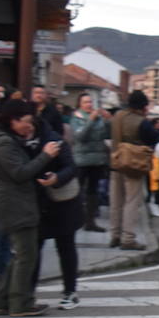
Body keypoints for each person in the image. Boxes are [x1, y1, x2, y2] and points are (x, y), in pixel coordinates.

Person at [0, 100, 59, 317]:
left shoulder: (2, 139)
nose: (30, 126)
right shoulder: (3, 143)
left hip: (14, 203)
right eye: (26, 122)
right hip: (15, 204)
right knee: (27, 255)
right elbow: (20, 173)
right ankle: (21, 303)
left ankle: (3, 300)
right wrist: (46, 155)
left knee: (20, 255)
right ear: (12, 120)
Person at [30, 115, 83, 310]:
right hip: (37, 203)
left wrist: (56, 178)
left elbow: (71, 167)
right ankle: (29, 293)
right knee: (34, 248)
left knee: (66, 246)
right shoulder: (17, 141)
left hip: (63, 202)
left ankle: (70, 291)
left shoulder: (54, 140)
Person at [108, 90, 159, 250]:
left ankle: (115, 235)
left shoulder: (117, 116)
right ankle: (128, 238)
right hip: (133, 164)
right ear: (143, 106)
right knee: (131, 201)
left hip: (116, 162)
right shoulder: (140, 121)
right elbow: (153, 137)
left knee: (116, 201)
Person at [69, 93, 110, 232]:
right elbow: (80, 136)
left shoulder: (98, 118)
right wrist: (90, 121)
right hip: (81, 160)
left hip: (97, 159)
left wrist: (108, 121)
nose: (89, 105)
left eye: (90, 102)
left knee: (93, 191)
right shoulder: (76, 118)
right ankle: (74, 219)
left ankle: (90, 221)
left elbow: (106, 135)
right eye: (86, 102)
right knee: (78, 190)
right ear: (80, 104)